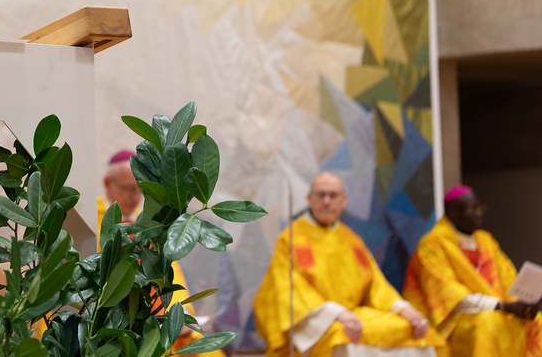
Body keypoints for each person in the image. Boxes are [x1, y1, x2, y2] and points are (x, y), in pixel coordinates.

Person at [254, 171, 445, 357]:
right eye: (320, 195)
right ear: (309, 199)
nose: (326, 201)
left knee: (411, 329)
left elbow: (376, 284)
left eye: (333, 196)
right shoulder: (291, 239)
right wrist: (336, 314)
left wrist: (404, 309)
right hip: (317, 318)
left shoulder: (351, 240)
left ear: (343, 200)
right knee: (341, 334)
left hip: (353, 314)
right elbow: (289, 289)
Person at [97, 150, 224, 357]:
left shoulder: (149, 225)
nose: (135, 197)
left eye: (139, 190)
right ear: (107, 183)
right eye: (128, 188)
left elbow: (169, 273)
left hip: (158, 314)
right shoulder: (93, 223)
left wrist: (179, 313)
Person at [403, 185, 542, 356]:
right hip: (454, 321)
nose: (478, 213)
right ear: (453, 212)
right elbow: (449, 297)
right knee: (487, 323)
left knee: (538, 321)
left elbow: (508, 281)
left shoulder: (485, 240)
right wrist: (503, 306)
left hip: (500, 311)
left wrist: (525, 305)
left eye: (479, 207)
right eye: (471, 209)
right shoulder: (432, 244)